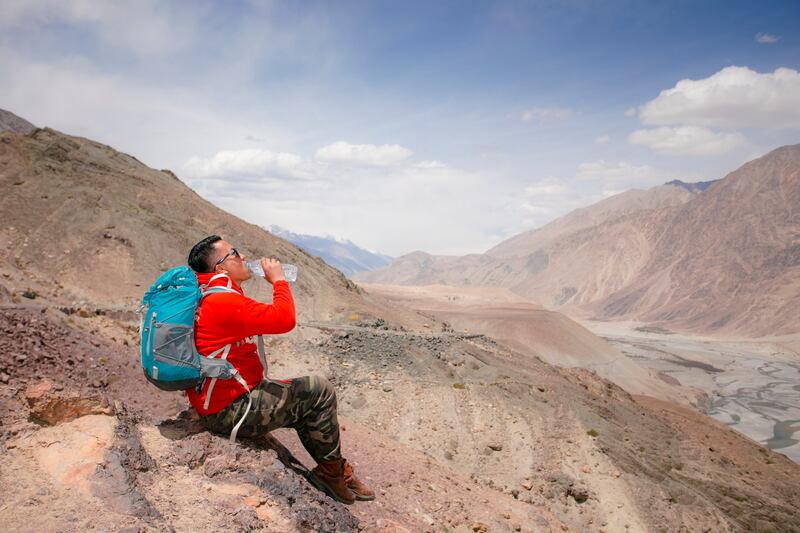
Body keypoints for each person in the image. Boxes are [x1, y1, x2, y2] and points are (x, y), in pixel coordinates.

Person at [186, 235, 374, 504]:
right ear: (220, 268)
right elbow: (285, 319)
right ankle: (332, 474)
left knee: (299, 399)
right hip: (229, 410)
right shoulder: (222, 302)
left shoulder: (213, 294)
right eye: (234, 253)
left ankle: (333, 470)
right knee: (319, 391)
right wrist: (279, 280)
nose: (243, 256)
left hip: (224, 399)